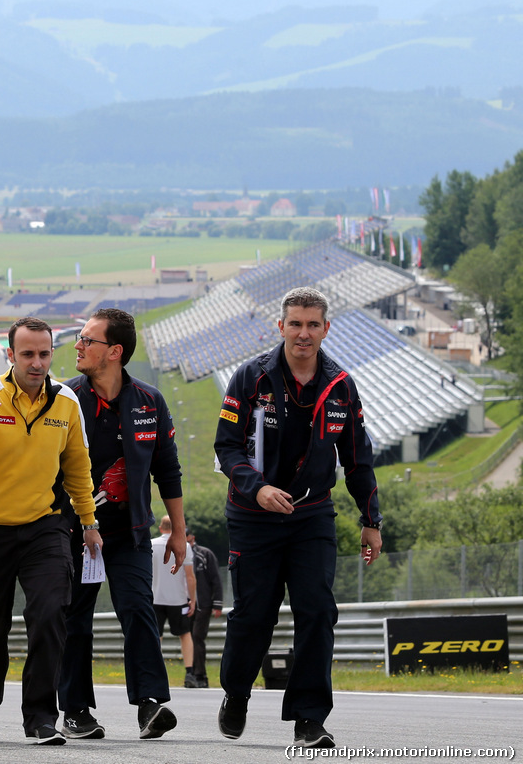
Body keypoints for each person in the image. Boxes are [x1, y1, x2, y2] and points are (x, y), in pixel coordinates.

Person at [214, 287, 382, 750]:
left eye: (312, 325)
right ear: (281, 327)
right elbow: (225, 447)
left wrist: (371, 520)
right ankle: (237, 692)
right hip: (253, 516)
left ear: (326, 329)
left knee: (317, 610)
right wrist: (258, 488)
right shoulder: (250, 377)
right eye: (295, 324)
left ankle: (309, 718)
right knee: (254, 615)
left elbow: (357, 458)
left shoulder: (342, 385)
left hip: (312, 516)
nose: (303, 333)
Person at [0, 316, 98, 746]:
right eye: (27, 354)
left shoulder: (66, 402)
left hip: (44, 528)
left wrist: (88, 522)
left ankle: (42, 717)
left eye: (45, 354)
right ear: (10, 355)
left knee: (49, 614)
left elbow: (78, 469)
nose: (37, 362)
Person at [57, 308, 187, 741]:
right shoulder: (65, 399)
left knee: (138, 611)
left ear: (114, 351)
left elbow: (167, 470)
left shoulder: (150, 401)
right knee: (76, 619)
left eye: (87, 340)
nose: (77, 345)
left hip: (129, 532)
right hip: (75, 533)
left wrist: (179, 531)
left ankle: (150, 706)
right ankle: (74, 710)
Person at [151, 515, 196, 685]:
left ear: (161, 528)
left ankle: (154, 672)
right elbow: (190, 577)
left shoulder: (151, 544)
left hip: (155, 597)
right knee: (185, 634)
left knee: (156, 635)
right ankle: (189, 673)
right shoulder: (184, 545)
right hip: (178, 599)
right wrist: (192, 599)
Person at [186, 528, 224, 688]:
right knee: (189, 638)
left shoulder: (204, 554)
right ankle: (191, 674)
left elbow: (216, 579)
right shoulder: (178, 551)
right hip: (186, 604)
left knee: (197, 637)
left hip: (203, 604)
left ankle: (201, 675)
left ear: (192, 537)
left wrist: (218, 603)